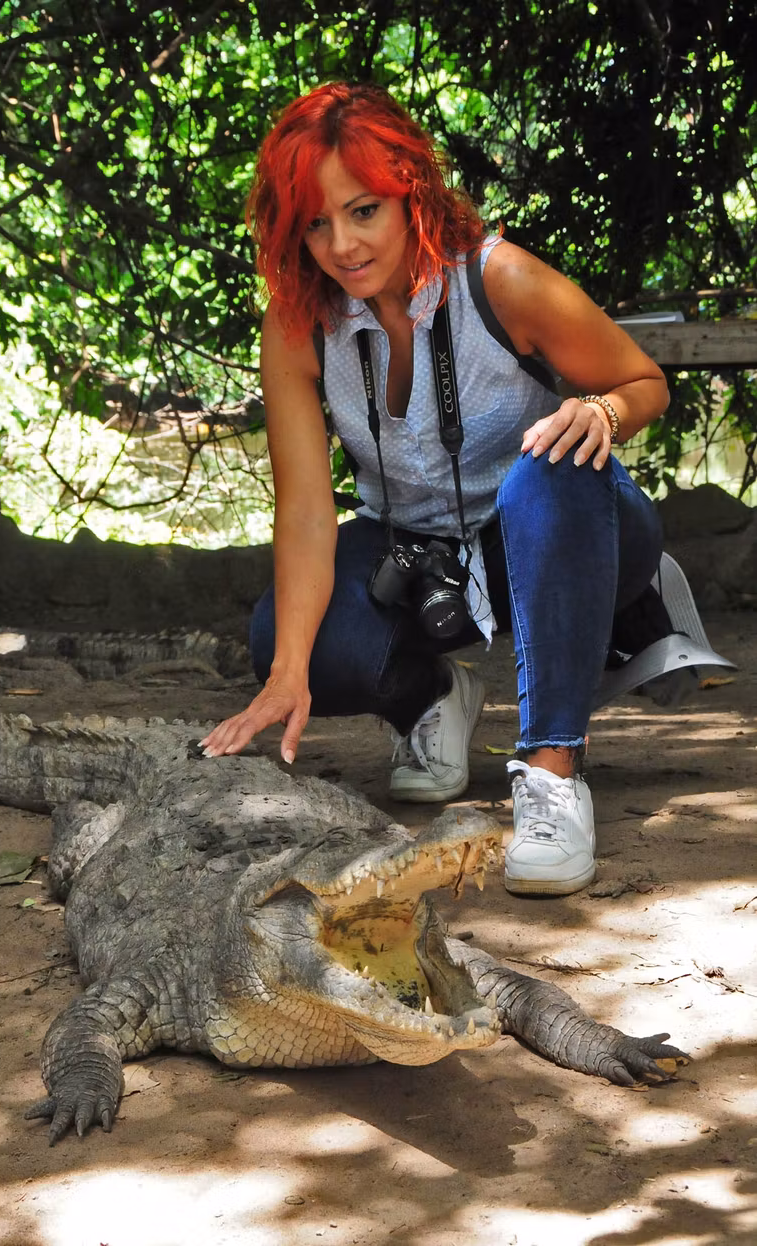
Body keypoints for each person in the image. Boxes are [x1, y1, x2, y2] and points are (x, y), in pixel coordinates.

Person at [199, 81, 671, 897]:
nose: (342, 245)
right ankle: (430, 698)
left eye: (363, 211)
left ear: (409, 190)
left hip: (563, 522)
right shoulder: (296, 325)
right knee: (292, 635)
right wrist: (288, 672)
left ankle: (553, 774)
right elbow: (309, 511)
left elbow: (646, 383)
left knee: (552, 463)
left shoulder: (501, 278)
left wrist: (600, 411)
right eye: (315, 222)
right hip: (414, 548)